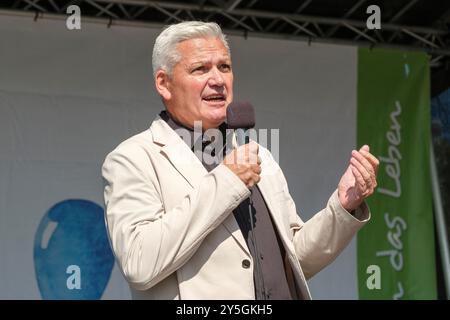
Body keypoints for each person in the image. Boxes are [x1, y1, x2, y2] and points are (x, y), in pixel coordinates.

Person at [102, 21, 379, 300]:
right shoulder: (134, 158)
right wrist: (228, 180)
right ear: (164, 83)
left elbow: (294, 260)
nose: (218, 80)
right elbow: (139, 262)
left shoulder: (258, 155)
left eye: (224, 67)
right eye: (200, 69)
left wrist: (343, 205)